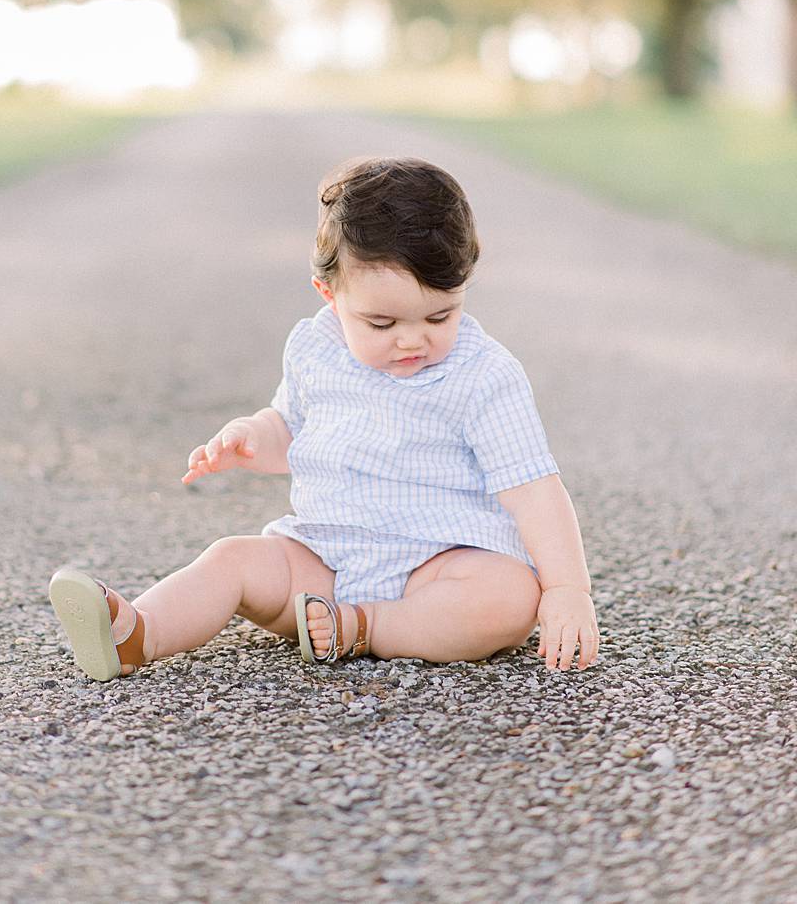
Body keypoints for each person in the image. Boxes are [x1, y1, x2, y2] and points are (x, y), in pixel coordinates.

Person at [50, 156, 600, 679]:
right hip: (324, 565)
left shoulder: (483, 376)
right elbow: (289, 429)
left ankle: (370, 628)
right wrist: (251, 437)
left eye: (440, 314)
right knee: (233, 559)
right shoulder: (315, 349)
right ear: (329, 295)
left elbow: (533, 489)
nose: (412, 339)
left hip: (437, 568)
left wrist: (567, 589)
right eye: (381, 323)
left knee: (508, 598)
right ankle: (139, 634)